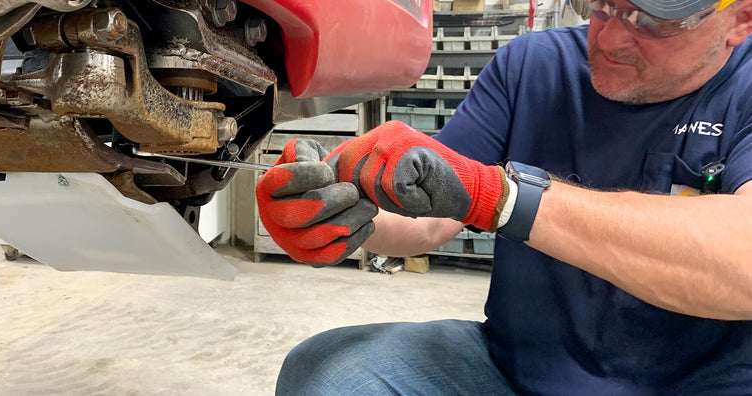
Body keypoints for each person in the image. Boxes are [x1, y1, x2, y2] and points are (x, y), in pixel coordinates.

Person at [255, 0, 752, 393]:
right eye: (602, 4)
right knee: (326, 373)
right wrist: (345, 214)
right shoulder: (532, 64)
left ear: (740, 18)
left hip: (692, 383)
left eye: (652, 19)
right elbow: (430, 212)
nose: (612, 36)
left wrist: (506, 198)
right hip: (517, 372)